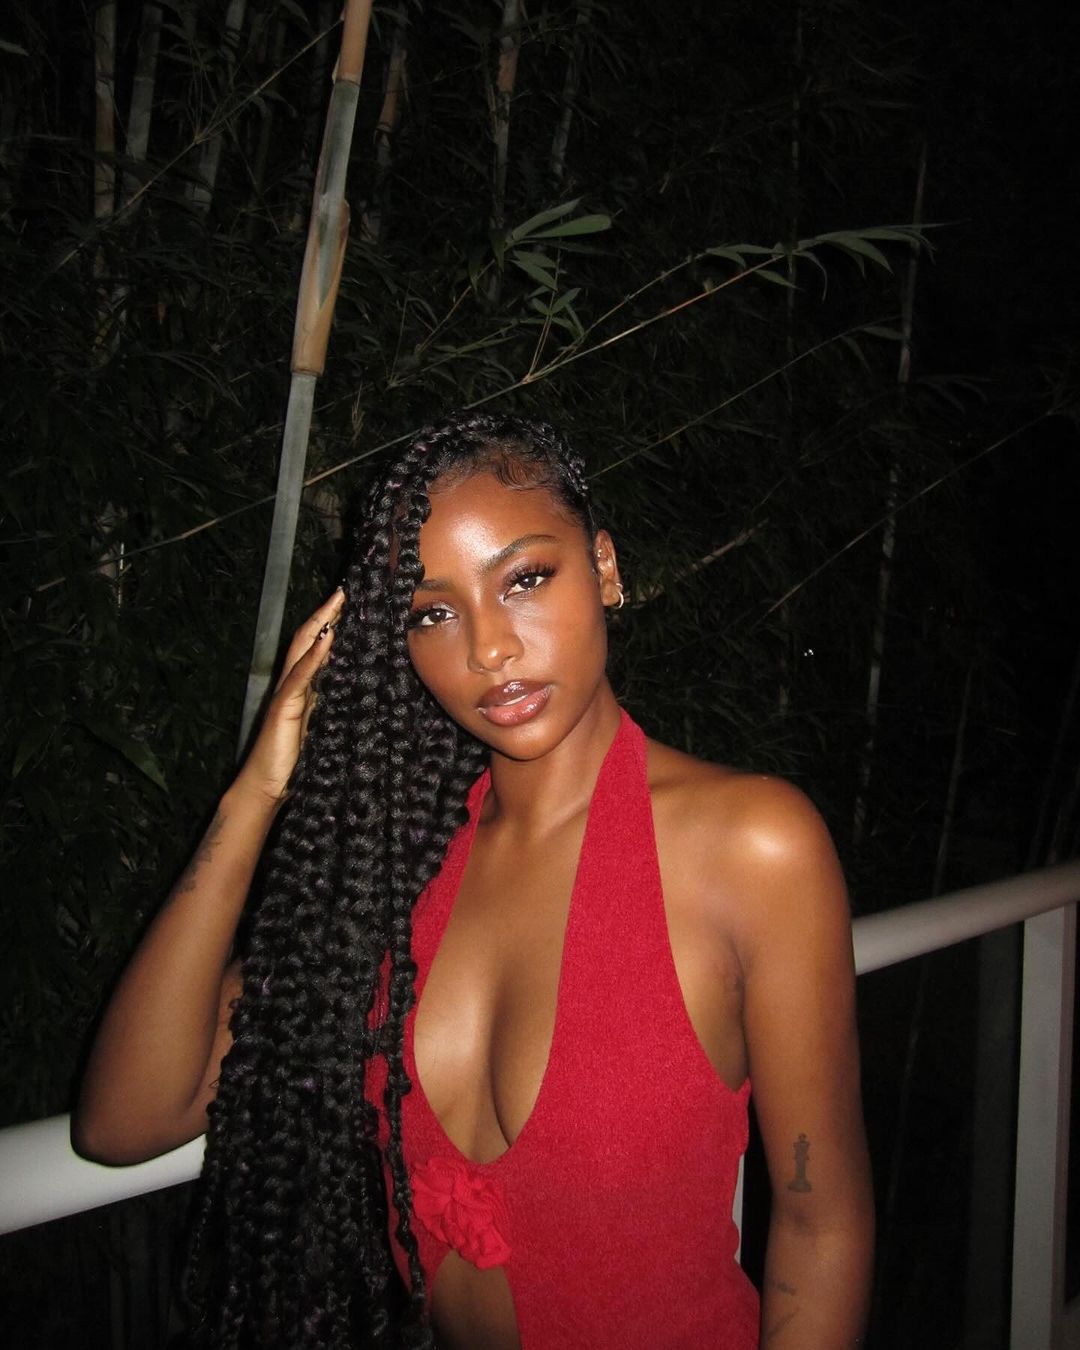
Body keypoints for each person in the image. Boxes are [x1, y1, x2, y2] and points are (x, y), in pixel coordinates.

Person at [75, 413, 874, 1349]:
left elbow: (821, 1224)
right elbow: (125, 1119)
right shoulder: (398, 865)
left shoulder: (752, 847)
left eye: (525, 579)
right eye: (433, 613)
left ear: (606, 568)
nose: (488, 649)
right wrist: (255, 792)